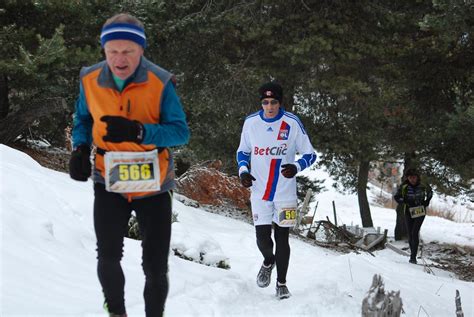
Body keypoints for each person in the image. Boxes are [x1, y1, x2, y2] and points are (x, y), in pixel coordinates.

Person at [69, 13, 189, 317]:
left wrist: (139, 132)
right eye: (113, 52)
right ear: (104, 50)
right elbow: (82, 118)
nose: (120, 59)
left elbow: (180, 132)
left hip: (155, 184)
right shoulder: (89, 79)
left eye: (128, 52)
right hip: (108, 180)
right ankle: (117, 313)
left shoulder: (160, 82)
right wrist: (80, 148)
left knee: (155, 265)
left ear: (141, 50)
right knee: (108, 255)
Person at [236, 82, 317, 299]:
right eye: (265, 102)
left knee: (283, 238)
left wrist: (297, 167)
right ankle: (268, 261)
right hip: (259, 191)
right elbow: (243, 151)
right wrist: (244, 171)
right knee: (262, 238)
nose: (269, 106)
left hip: (285, 193)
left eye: (273, 102)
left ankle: (282, 284)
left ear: (280, 103)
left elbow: (310, 154)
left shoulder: (291, 123)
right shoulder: (251, 122)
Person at [394, 168, 433, 264]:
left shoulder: (423, 185)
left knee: (415, 232)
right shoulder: (404, 186)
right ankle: (413, 255)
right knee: (410, 234)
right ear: (407, 177)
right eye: (410, 177)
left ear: (417, 177)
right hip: (408, 211)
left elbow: (430, 193)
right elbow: (397, 197)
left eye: (414, 177)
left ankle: (413, 257)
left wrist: (426, 201)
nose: (412, 179)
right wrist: (405, 201)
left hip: (420, 210)